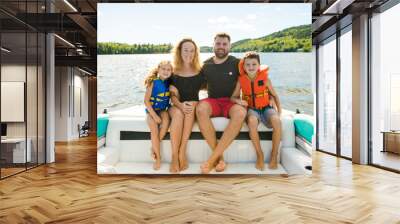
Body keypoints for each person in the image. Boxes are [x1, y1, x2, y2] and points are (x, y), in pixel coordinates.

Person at [196, 33, 247, 174]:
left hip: (231, 102)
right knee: (200, 109)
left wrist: (271, 97)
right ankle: (219, 158)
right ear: (213, 45)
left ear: (230, 46)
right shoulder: (206, 65)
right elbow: (195, 84)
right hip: (213, 101)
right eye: (218, 43)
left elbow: (253, 77)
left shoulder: (238, 63)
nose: (221, 47)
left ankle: (212, 160)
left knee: (241, 113)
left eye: (224, 44)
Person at [231, 51, 282, 170]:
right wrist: (239, 101)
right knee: (252, 122)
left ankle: (274, 155)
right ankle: (260, 155)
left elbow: (275, 95)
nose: (251, 67)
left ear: (259, 65)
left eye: (254, 64)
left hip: (266, 108)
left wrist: (279, 112)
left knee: (277, 122)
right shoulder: (241, 80)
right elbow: (233, 97)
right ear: (243, 66)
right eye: (247, 65)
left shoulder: (265, 80)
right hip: (252, 109)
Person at [168, 38, 204, 173]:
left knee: (191, 105)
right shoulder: (172, 71)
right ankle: (174, 156)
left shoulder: (200, 71)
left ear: (196, 53)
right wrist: (180, 105)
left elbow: (213, 85)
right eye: (186, 50)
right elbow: (171, 96)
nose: (189, 53)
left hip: (191, 107)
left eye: (192, 50)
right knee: (178, 114)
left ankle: (182, 152)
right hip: (175, 106)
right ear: (179, 51)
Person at [144, 60, 173, 170]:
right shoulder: (152, 82)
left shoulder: (170, 82)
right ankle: (158, 158)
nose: (166, 71)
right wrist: (154, 116)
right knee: (154, 129)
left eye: (169, 69)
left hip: (162, 110)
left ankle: (153, 147)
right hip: (151, 110)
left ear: (171, 71)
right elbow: (146, 101)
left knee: (165, 123)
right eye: (163, 69)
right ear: (158, 70)